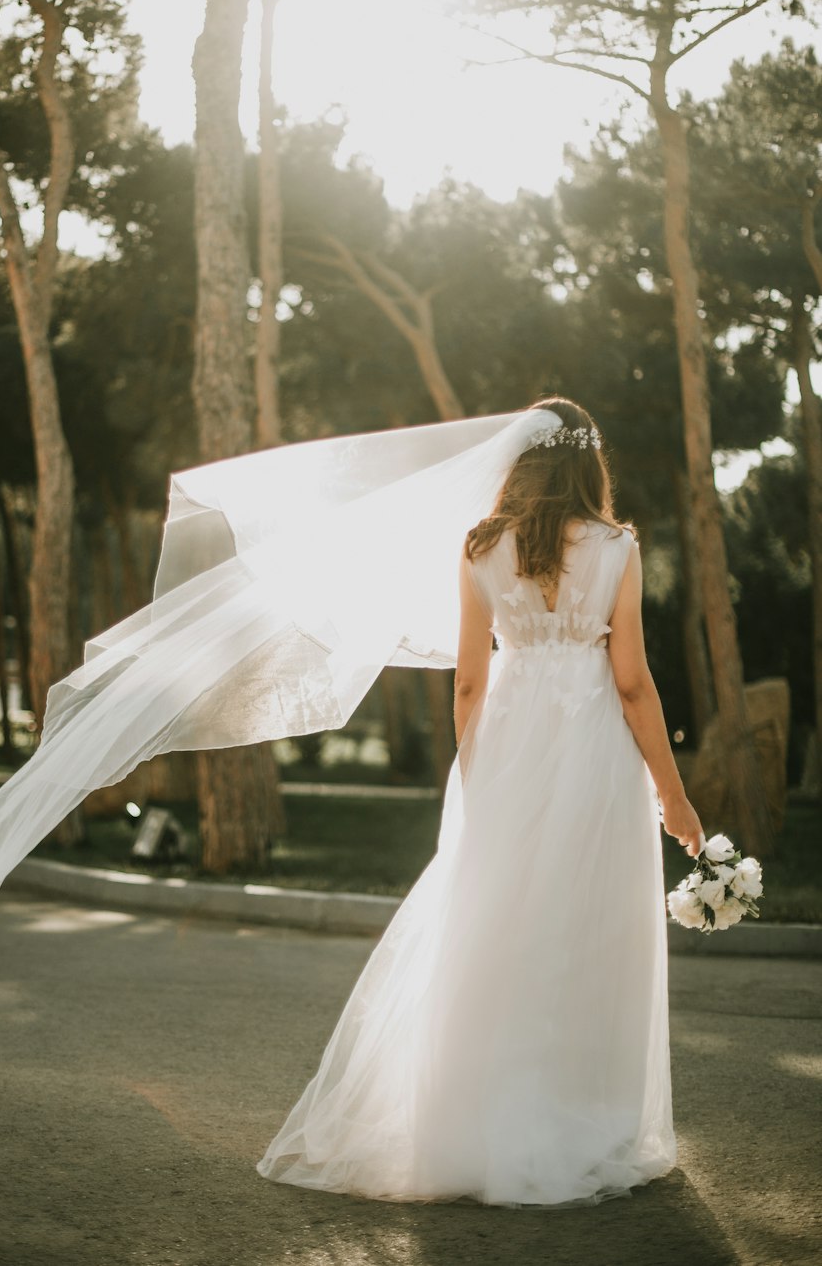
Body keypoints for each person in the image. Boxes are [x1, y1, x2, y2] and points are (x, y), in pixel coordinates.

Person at [255, 396, 703, 1208]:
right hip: (595, 755)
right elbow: (632, 683)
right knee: (593, 926)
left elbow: (468, 680)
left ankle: (478, 1121)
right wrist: (673, 795)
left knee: (497, 926)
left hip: (509, 751)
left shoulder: (479, 550)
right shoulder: (615, 549)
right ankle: (588, 1120)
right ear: (587, 463)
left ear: (519, 464)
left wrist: (478, 773)